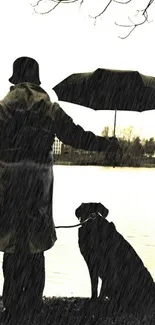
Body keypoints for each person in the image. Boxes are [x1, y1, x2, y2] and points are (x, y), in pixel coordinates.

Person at [0, 56, 120, 322]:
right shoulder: (49, 109)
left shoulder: (2, 109)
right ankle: (32, 306)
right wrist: (106, 144)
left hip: (8, 186)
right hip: (38, 186)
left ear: (15, 79)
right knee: (35, 246)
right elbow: (77, 136)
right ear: (37, 79)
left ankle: (11, 305)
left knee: (12, 246)